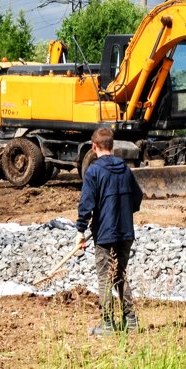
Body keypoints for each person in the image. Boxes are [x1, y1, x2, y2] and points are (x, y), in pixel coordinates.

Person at [76, 127, 144, 335]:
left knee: (106, 277)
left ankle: (107, 324)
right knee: (120, 275)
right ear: (112, 147)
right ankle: (130, 321)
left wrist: (80, 230)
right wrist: (122, 211)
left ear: (94, 146)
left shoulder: (94, 172)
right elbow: (137, 198)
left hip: (105, 234)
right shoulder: (125, 169)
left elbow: (86, 204)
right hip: (125, 232)